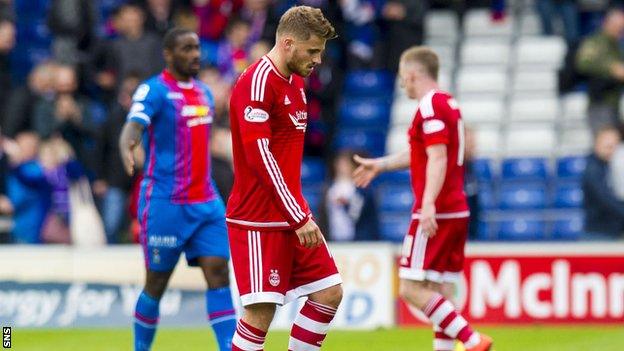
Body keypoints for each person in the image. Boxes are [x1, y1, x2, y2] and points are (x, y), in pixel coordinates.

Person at [352, 47, 493, 351]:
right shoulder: (449, 104)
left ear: (413, 74)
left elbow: (438, 157)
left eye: (404, 79)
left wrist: (428, 203)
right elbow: (424, 153)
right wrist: (381, 164)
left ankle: (471, 339)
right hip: (456, 209)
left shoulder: (429, 106)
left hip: (436, 211)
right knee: (438, 290)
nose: (403, 85)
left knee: (410, 288)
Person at [227, 6, 343, 350]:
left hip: (290, 214)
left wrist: (297, 213)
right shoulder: (257, 82)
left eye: (320, 51)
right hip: (258, 219)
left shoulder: (295, 83)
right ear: (288, 43)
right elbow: (259, 156)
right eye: (312, 51)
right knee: (260, 315)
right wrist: (298, 216)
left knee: (329, 292)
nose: (318, 59)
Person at [119, 28, 235, 351]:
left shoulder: (205, 94)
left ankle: (230, 347)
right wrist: (128, 146)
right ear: (168, 54)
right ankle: (140, 348)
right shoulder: (154, 90)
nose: (195, 54)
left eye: (197, 48)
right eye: (186, 49)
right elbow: (133, 126)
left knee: (218, 273)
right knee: (156, 283)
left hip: (206, 202)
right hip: (166, 203)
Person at [576, 8, 624, 135]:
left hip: (615, 101)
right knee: (605, 142)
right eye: (617, 26)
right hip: (600, 102)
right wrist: (612, 68)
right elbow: (583, 63)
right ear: (606, 23)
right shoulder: (595, 41)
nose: (619, 31)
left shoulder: (616, 45)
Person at [582, 127, 624, 239]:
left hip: (614, 232)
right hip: (599, 234)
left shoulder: (612, 166)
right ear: (597, 145)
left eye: (615, 147)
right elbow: (606, 199)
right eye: (608, 147)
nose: (612, 151)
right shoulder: (593, 170)